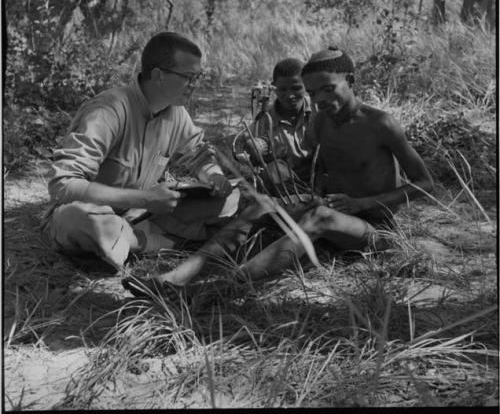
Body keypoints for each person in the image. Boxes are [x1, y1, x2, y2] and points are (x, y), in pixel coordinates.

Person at [122, 45, 433, 300]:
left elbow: (425, 183)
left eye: (329, 88)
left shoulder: (380, 123)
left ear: (350, 80)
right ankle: (174, 279)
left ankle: (222, 288)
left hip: (374, 229)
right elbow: (299, 164)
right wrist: (260, 158)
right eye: (314, 93)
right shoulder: (322, 122)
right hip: (334, 208)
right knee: (261, 205)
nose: (321, 99)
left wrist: (361, 204)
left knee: (321, 216)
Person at [41, 32, 239, 272]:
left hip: (141, 214)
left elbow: (198, 155)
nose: (195, 85)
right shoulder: (108, 111)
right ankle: (154, 242)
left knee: (232, 198)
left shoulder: (176, 113)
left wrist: (213, 176)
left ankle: (127, 242)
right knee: (75, 220)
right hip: (95, 212)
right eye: (189, 77)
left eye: (198, 77)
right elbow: (63, 186)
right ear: (158, 76)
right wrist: (145, 199)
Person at [243, 58, 314, 190]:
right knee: (274, 171)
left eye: (296, 88)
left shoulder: (317, 112)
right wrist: (253, 149)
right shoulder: (264, 120)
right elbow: (256, 160)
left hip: (318, 178)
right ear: (274, 87)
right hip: (285, 185)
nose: (290, 95)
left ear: (306, 85)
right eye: (282, 89)